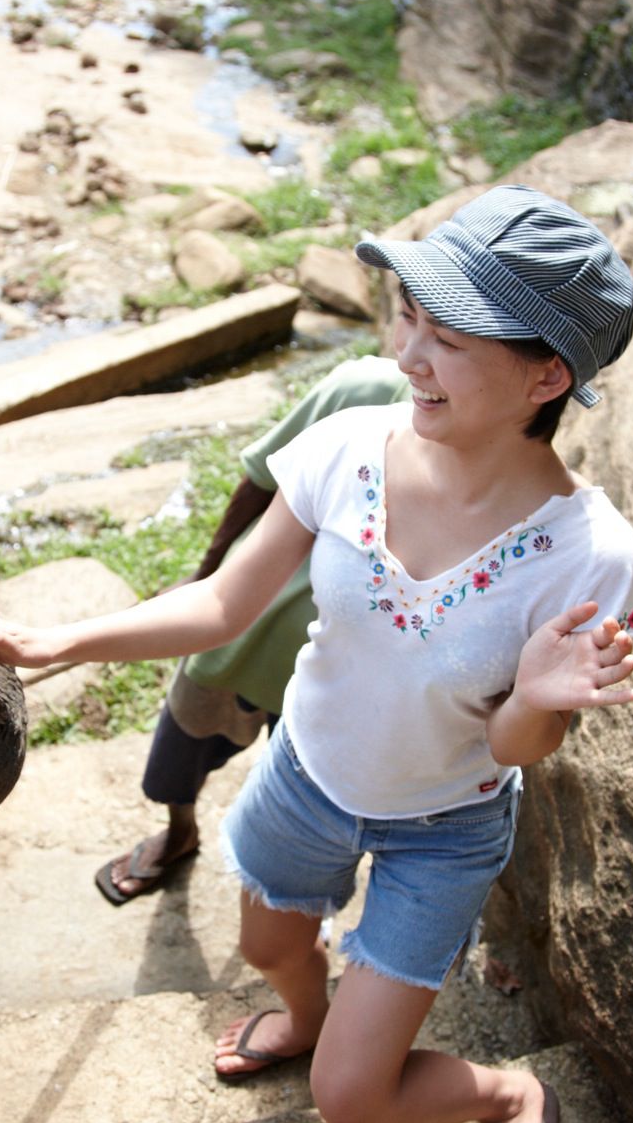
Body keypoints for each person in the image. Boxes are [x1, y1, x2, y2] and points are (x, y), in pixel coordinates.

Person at [0, 185, 633, 1123]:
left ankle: (508, 1097)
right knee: (270, 948)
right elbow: (227, 604)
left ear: (546, 380)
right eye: (409, 317)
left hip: (443, 828)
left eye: (448, 339)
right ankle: (310, 1015)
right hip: (305, 777)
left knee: (354, 1101)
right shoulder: (348, 448)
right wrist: (58, 642)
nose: (407, 357)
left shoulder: (589, 558)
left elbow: (512, 744)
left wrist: (535, 697)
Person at [97, 356, 411, 904]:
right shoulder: (366, 388)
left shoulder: (491, 472)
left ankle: (288, 888)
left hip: (341, 666)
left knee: (301, 779)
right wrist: (206, 574)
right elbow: (263, 478)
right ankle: (180, 830)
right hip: (249, 624)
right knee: (187, 731)